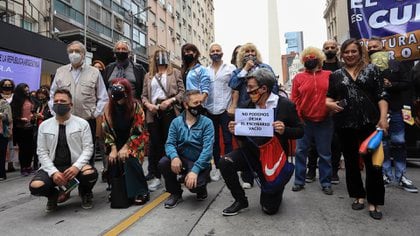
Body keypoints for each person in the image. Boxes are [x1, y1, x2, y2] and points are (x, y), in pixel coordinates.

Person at [220, 68, 303, 216]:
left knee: (269, 209)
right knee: (225, 162)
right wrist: (236, 131)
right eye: (247, 87)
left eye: (251, 87)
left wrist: (285, 130)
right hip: (251, 153)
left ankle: (274, 190)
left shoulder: (285, 105)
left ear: (264, 88)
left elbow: (300, 131)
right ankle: (240, 200)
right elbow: (242, 138)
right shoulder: (246, 106)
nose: (248, 90)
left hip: (274, 158)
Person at [326, 38, 389, 220]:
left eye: (353, 51)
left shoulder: (373, 70)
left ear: (360, 52)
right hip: (345, 124)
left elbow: (382, 96)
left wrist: (383, 118)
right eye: (346, 52)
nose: (350, 55)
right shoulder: (336, 75)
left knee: (373, 165)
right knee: (352, 163)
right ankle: (358, 196)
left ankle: (374, 201)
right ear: (342, 54)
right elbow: (328, 98)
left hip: (370, 124)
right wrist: (330, 105)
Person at [29, 89, 98, 212]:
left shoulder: (82, 124)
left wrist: (76, 167)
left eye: (63, 101)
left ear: (70, 105)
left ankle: (85, 192)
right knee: (35, 186)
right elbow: (42, 152)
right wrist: (53, 172)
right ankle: (53, 195)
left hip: (75, 166)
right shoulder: (44, 125)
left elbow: (88, 148)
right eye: (56, 101)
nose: (59, 103)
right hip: (53, 166)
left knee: (90, 174)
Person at [367, 37, 418, 193]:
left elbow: (406, 84)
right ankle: (385, 174)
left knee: (399, 142)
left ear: (382, 47)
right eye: (369, 47)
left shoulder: (396, 64)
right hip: (376, 112)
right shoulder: (366, 67)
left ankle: (401, 175)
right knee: (382, 145)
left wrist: (391, 85)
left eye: (375, 46)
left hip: (395, 109)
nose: (372, 49)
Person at [228, 43, 279, 188]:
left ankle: (267, 173)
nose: (250, 54)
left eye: (253, 51)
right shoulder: (238, 71)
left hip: (264, 112)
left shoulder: (265, 68)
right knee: (245, 144)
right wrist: (245, 69)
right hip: (246, 111)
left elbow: (273, 87)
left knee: (265, 143)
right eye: (247, 52)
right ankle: (247, 177)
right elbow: (233, 85)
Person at [50, 41, 109, 165]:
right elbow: (52, 94)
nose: (74, 54)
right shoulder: (60, 71)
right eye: (71, 51)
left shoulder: (94, 72)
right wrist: (54, 112)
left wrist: (95, 113)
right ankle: (68, 180)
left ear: (83, 54)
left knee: (87, 155)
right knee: (66, 153)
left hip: (87, 121)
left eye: (77, 51)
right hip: (65, 120)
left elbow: (103, 97)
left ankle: (86, 179)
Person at [159, 90, 214, 209]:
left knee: (195, 186)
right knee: (164, 162)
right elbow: (169, 143)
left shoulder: (207, 123)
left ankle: (201, 186)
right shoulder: (176, 122)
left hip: (199, 160)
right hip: (182, 159)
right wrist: (174, 157)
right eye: (196, 103)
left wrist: (195, 170)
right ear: (186, 105)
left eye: (201, 102)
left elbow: (207, 150)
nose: (199, 105)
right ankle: (175, 193)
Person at [291, 47, 334, 195]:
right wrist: (298, 117)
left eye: (313, 57)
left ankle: (326, 182)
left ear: (319, 59)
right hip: (305, 121)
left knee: (325, 153)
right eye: (307, 57)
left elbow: (335, 94)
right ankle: (299, 181)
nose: (310, 59)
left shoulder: (329, 75)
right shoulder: (298, 78)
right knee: (301, 151)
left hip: (325, 120)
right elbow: (294, 99)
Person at [142, 49, 185, 191]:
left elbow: (182, 92)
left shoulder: (175, 73)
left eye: (163, 55)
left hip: (170, 111)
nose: (161, 58)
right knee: (155, 145)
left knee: (171, 142)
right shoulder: (149, 76)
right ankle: (156, 177)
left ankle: (174, 173)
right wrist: (149, 105)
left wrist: (171, 100)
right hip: (154, 113)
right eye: (158, 56)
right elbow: (143, 96)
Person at [103, 78, 150, 205]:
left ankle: (140, 190)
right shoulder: (108, 108)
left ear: (127, 91)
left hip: (133, 141)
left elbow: (139, 131)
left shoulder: (135, 106)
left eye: (120, 87)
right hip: (116, 142)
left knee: (129, 158)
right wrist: (113, 148)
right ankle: (116, 189)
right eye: (114, 87)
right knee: (113, 159)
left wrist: (126, 147)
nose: (116, 90)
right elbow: (106, 131)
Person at [204, 43, 236, 182]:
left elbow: (235, 89)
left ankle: (228, 167)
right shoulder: (205, 70)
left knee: (228, 140)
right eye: (213, 51)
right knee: (214, 141)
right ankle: (217, 167)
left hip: (225, 109)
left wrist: (233, 106)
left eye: (218, 50)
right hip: (210, 109)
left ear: (222, 52)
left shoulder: (230, 68)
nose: (215, 53)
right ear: (209, 53)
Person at [11, 83, 36, 176]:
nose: (27, 92)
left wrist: (33, 116)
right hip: (20, 128)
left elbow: (32, 110)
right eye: (25, 90)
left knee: (30, 148)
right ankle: (23, 168)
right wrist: (21, 119)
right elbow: (13, 116)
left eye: (27, 90)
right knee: (23, 149)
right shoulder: (15, 101)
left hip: (30, 127)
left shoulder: (30, 99)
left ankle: (29, 166)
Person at [32, 87, 53, 170]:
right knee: (37, 147)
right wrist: (33, 117)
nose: (41, 97)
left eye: (43, 95)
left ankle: (45, 164)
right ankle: (35, 165)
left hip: (47, 129)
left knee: (46, 148)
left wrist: (43, 117)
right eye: (39, 95)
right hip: (38, 128)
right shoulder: (38, 106)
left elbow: (52, 117)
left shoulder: (50, 105)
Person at [0, 79, 16, 172]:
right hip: (1, 124)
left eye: (9, 84)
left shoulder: (15, 97)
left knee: (12, 145)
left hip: (13, 122)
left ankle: (11, 164)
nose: (7, 86)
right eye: (5, 84)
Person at [0, 94, 12, 181]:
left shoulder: (3, 103)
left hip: (2, 132)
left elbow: (7, 118)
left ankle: (1, 173)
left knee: (1, 153)